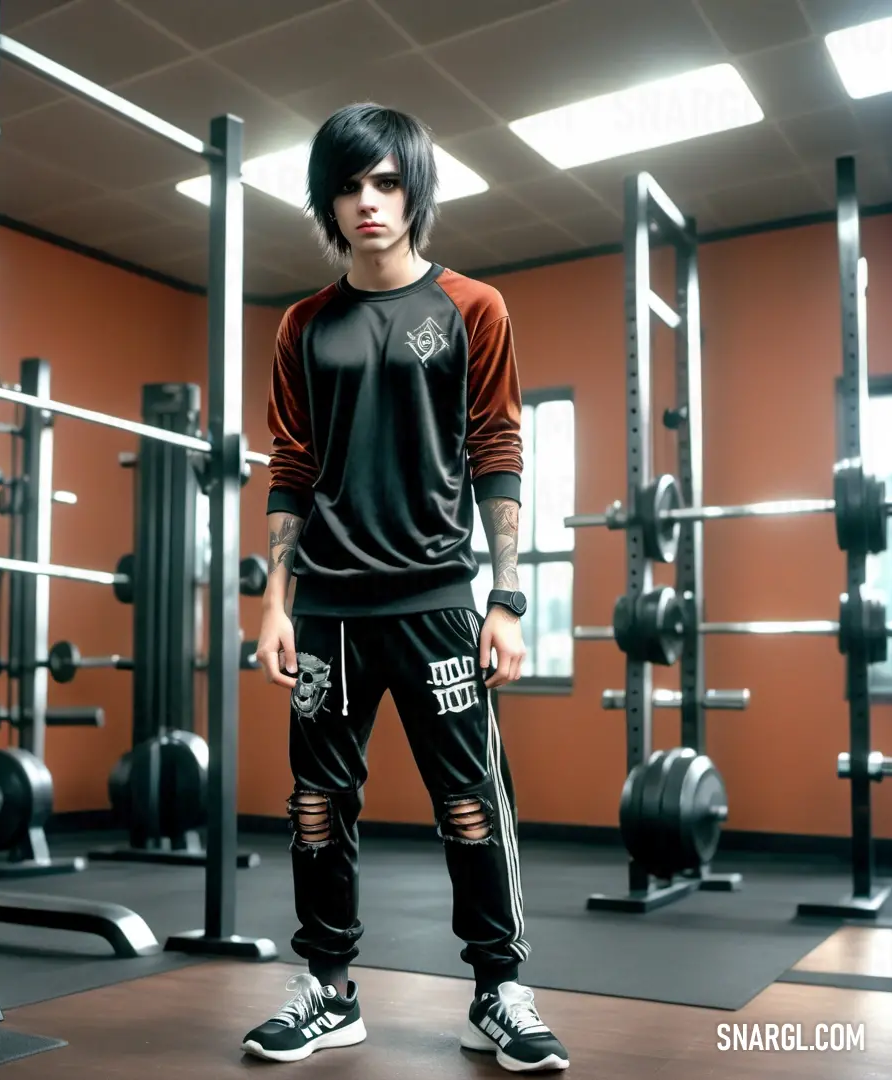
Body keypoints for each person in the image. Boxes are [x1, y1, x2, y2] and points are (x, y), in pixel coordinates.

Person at [241, 102, 570, 1073]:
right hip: (330, 611)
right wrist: (273, 602)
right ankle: (329, 991)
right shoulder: (303, 326)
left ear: (415, 191)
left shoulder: (473, 310)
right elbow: (291, 464)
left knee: (470, 802)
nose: (368, 201)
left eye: (386, 181)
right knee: (314, 806)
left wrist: (506, 600)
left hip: (434, 604)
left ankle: (499, 992)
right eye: (349, 185)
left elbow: (499, 450)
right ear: (327, 203)